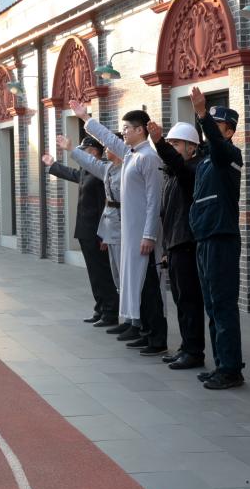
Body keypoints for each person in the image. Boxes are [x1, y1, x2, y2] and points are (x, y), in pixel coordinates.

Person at [72, 100, 168, 355]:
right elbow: (107, 138)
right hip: (130, 233)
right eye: (123, 128)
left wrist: (149, 234)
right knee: (137, 284)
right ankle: (145, 331)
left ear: (140, 130)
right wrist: (86, 119)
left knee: (149, 286)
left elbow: (154, 201)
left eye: (127, 128)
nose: (123, 132)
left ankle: (157, 338)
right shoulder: (130, 155)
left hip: (143, 235)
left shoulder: (149, 158)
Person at [189, 89, 246, 390]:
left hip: (221, 238)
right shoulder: (206, 161)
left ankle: (231, 369)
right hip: (205, 237)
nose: (208, 130)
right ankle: (221, 363)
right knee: (211, 305)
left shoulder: (229, 156)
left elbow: (217, 145)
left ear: (229, 131)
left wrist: (202, 114)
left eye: (215, 126)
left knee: (223, 305)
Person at [148, 120, 207, 371]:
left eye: (176, 143)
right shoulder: (173, 174)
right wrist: (165, 250)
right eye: (170, 143)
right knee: (181, 301)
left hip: (186, 244)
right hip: (174, 244)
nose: (172, 147)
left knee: (189, 300)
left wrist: (159, 143)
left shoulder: (191, 170)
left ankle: (194, 352)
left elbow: (177, 164)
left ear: (192, 147)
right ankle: (186, 346)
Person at [42, 134, 119, 327]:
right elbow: (73, 175)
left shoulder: (102, 172)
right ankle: (100, 308)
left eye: (84, 151)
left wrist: (104, 234)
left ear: (93, 151)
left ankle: (110, 312)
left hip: (97, 232)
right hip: (85, 229)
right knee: (94, 273)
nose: (82, 154)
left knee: (102, 273)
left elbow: (105, 205)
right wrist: (53, 165)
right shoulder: (87, 170)